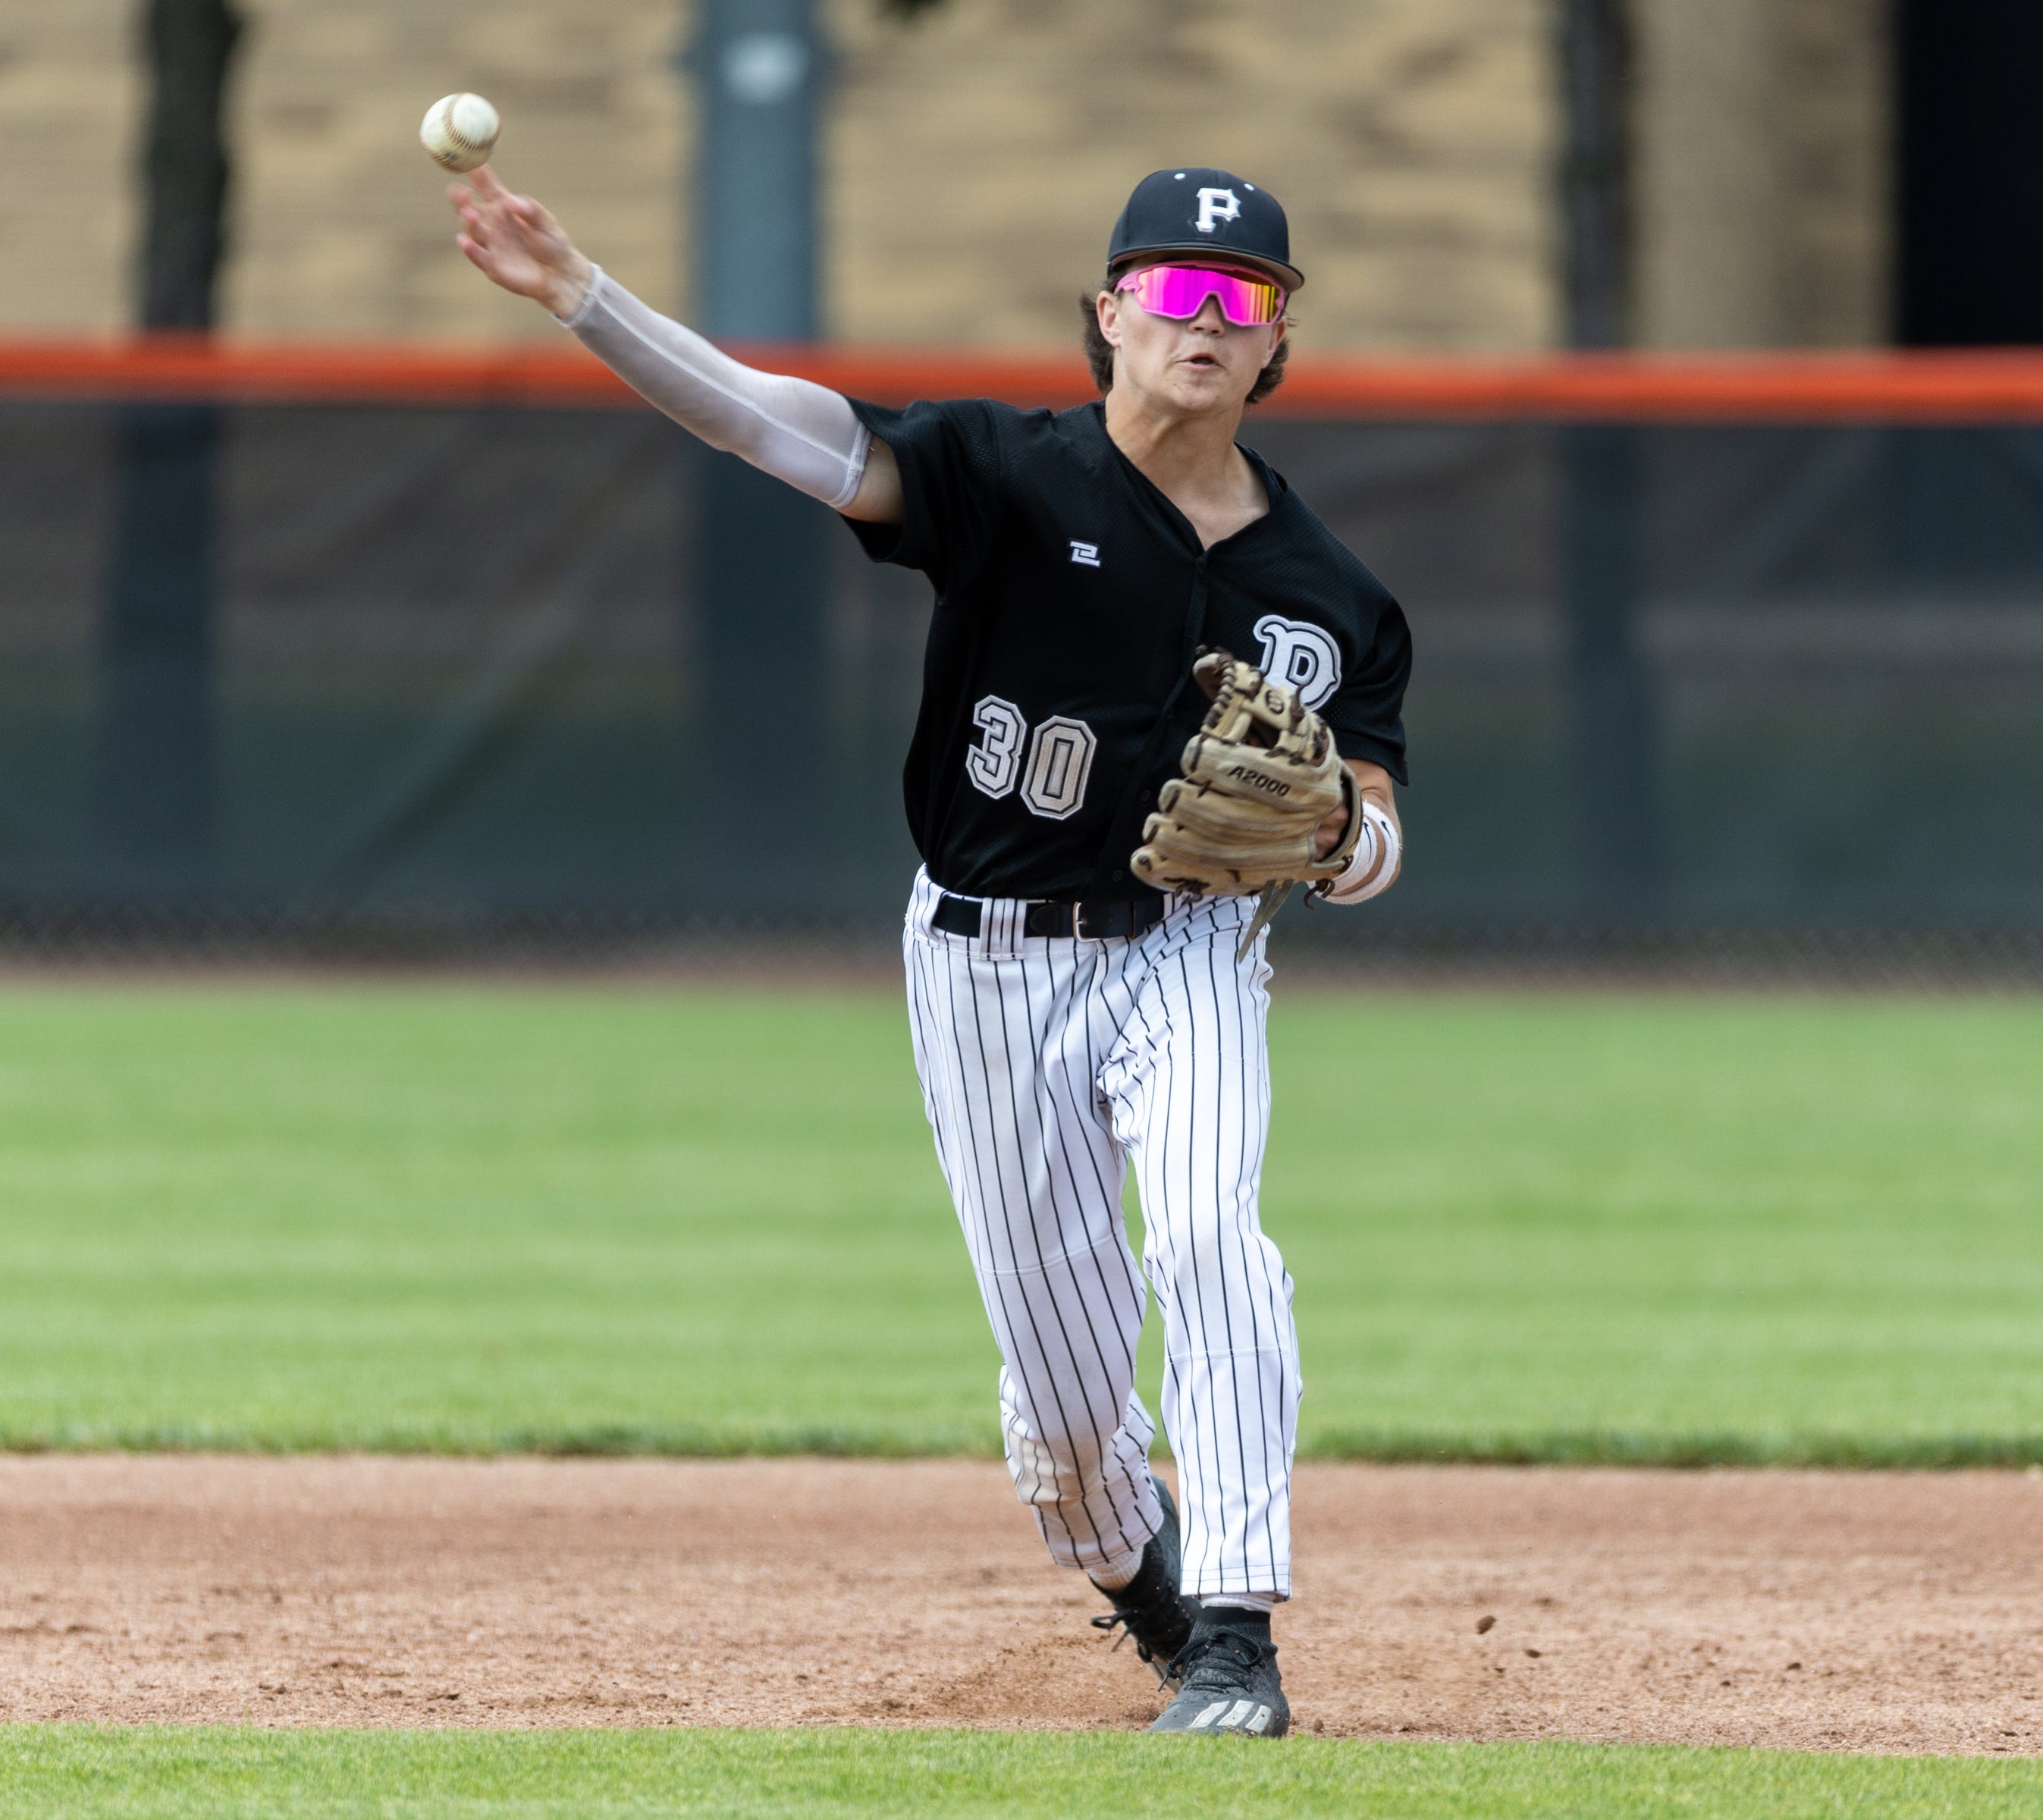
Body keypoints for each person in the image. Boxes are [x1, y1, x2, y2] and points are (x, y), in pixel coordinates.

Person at [450, 163, 1409, 1738]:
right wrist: (584, 299)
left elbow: (1372, 830)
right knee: (1066, 1412)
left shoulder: (1334, 597)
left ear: (1279, 337)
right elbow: (777, 430)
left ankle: (1236, 1631)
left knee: (1212, 1243)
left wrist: (1333, 844)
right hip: (985, 962)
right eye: (1172, 288)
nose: (1206, 317)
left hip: (1189, 950)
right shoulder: (1000, 473)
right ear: (1108, 315)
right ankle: (1148, 1592)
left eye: (1242, 297)